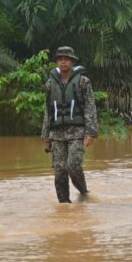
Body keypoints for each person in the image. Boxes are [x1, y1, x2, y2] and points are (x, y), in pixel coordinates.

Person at [41, 46, 98, 203]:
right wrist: (46, 137)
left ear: (72, 61)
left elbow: (90, 107)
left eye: (66, 59)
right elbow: (48, 110)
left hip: (77, 132)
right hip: (56, 134)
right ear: (56, 62)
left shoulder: (83, 82)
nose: (63, 61)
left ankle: (83, 192)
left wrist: (91, 133)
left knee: (73, 166)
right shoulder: (49, 84)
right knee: (59, 171)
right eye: (60, 59)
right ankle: (64, 205)